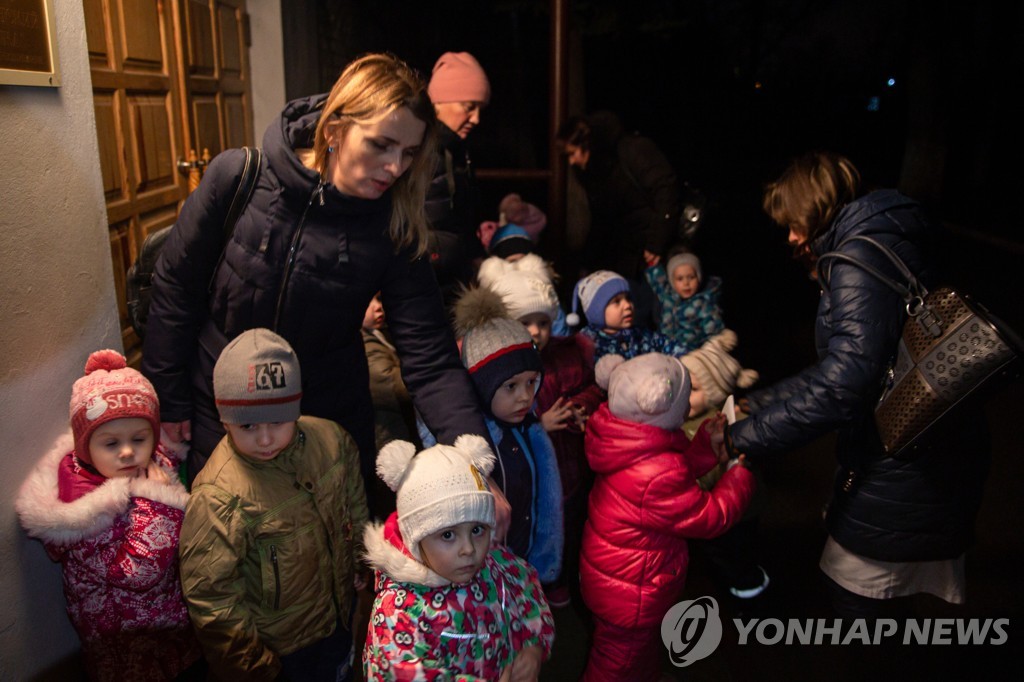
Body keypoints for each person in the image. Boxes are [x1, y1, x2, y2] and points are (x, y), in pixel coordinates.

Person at [140, 53, 490, 513]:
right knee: (232, 555)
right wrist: (169, 401)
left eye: (408, 153)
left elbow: (430, 356)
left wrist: (475, 465)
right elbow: (174, 291)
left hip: (326, 421)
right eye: (381, 145)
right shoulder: (238, 179)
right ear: (334, 131)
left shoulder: (394, 227)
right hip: (222, 413)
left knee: (322, 567)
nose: (395, 167)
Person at [725, 151, 991, 618]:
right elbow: (852, 363)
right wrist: (761, 402)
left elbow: (847, 382)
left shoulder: (856, 252)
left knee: (859, 608)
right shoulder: (885, 229)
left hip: (902, 462)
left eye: (792, 221)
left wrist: (742, 436)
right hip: (931, 445)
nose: (790, 236)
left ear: (816, 205)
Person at [178, 329, 370, 681]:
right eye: (248, 425)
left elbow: (353, 504)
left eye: (278, 421)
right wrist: (255, 669)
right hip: (279, 653)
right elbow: (212, 598)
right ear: (224, 419)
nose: (265, 439)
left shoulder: (332, 441)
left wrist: (359, 557)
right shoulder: (218, 496)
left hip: (338, 619)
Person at [15, 350, 202, 681]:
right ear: (86, 447)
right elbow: (136, 575)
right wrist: (159, 505)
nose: (128, 451)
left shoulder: (146, 466)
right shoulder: (84, 509)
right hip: (125, 643)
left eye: (139, 438)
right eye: (111, 443)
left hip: (165, 624)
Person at [580, 352, 754, 682]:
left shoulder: (628, 441)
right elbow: (709, 516)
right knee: (614, 665)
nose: (689, 404)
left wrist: (704, 445)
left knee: (637, 651)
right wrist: (738, 476)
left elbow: (673, 486)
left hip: (618, 582)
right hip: (631, 595)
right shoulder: (657, 471)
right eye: (685, 398)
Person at [363, 435, 555, 680]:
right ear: (416, 538)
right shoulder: (398, 612)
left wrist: (533, 644)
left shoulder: (498, 564)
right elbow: (399, 673)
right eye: (448, 535)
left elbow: (529, 594)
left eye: (477, 530)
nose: (469, 549)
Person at [487, 268, 604, 609]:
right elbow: (498, 416)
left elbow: (593, 387)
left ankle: (561, 579)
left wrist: (582, 407)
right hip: (529, 473)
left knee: (570, 524)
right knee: (533, 527)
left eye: (544, 321)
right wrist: (540, 424)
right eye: (526, 322)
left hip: (571, 465)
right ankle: (533, 585)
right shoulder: (503, 369)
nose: (537, 330)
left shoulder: (566, 357)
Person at [434, 285, 564, 586]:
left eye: (532, 382)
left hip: (525, 564)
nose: (525, 397)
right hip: (487, 578)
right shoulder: (474, 445)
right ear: (481, 386)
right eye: (511, 386)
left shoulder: (530, 430)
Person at [556, 111, 683, 328]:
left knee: (664, 316)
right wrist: (589, 261)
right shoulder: (593, 173)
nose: (572, 161)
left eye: (573, 152)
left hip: (654, 254)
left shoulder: (630, 150)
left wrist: (656, 242)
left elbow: (666, 189)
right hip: (626, 257)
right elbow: (602, 220)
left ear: (586, 143)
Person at [425, 51, 491, 305]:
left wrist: (474, 255)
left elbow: (459, 221)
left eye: (480, 108)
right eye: (468, 106)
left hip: (450, 280)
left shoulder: (457, 151)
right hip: (430, 286)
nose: (476, 118)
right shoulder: (418, 152)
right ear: (440, 101)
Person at [568, 269, 694, 362]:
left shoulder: (640, 334)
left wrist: (687, 359)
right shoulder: (586, 344)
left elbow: (667, 344)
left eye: (628, 299)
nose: (627, 305)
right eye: (617, 302)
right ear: (596, 312)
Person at [361, 291, 421, 451]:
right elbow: (391, 384)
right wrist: (427, 373)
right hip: (390, 439)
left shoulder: (379, 334)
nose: (378, 307)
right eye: (368, 301)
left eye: (378, 299)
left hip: (399, 431)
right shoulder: (363, 345)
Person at [644, 249, 726, 349]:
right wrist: (652, 264)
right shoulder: (668, 297)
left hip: (692, 353)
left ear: (698, 278)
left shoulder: (703, 304)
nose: (686, 283)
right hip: (666, 349)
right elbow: (659, 282)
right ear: (672, 282)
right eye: (680, 279)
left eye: (691, 277)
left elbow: (714, 333)